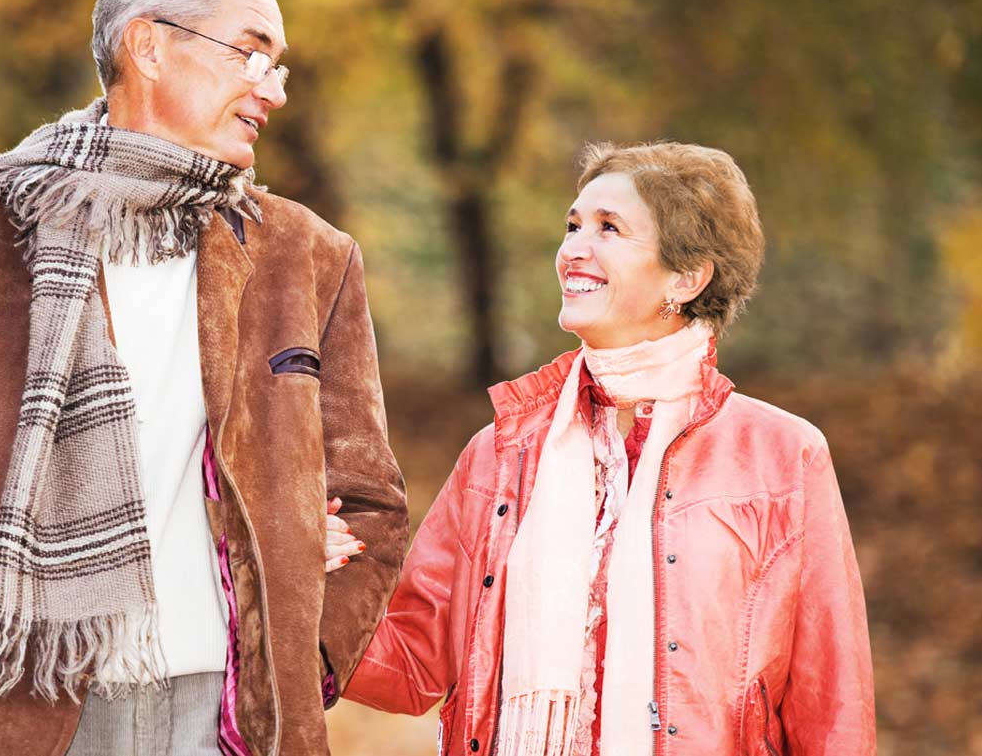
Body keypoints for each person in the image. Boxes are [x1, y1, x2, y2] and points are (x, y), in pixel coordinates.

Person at [0, 0, 407, 756]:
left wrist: (310, 659)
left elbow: (370, 504)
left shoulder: (307, 258)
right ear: (149, 46)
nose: (273, 88)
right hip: (28, 720)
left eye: (279, 63)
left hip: (237, 719)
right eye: (250, 52)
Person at [332, 142, 875, 755]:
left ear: (686, 277)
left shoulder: (782, 457)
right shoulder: (499, 454)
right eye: (572, 226)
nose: (572, 250)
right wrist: (299, 573)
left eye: (609, 228)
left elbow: (831, 706)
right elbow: (413, 662)